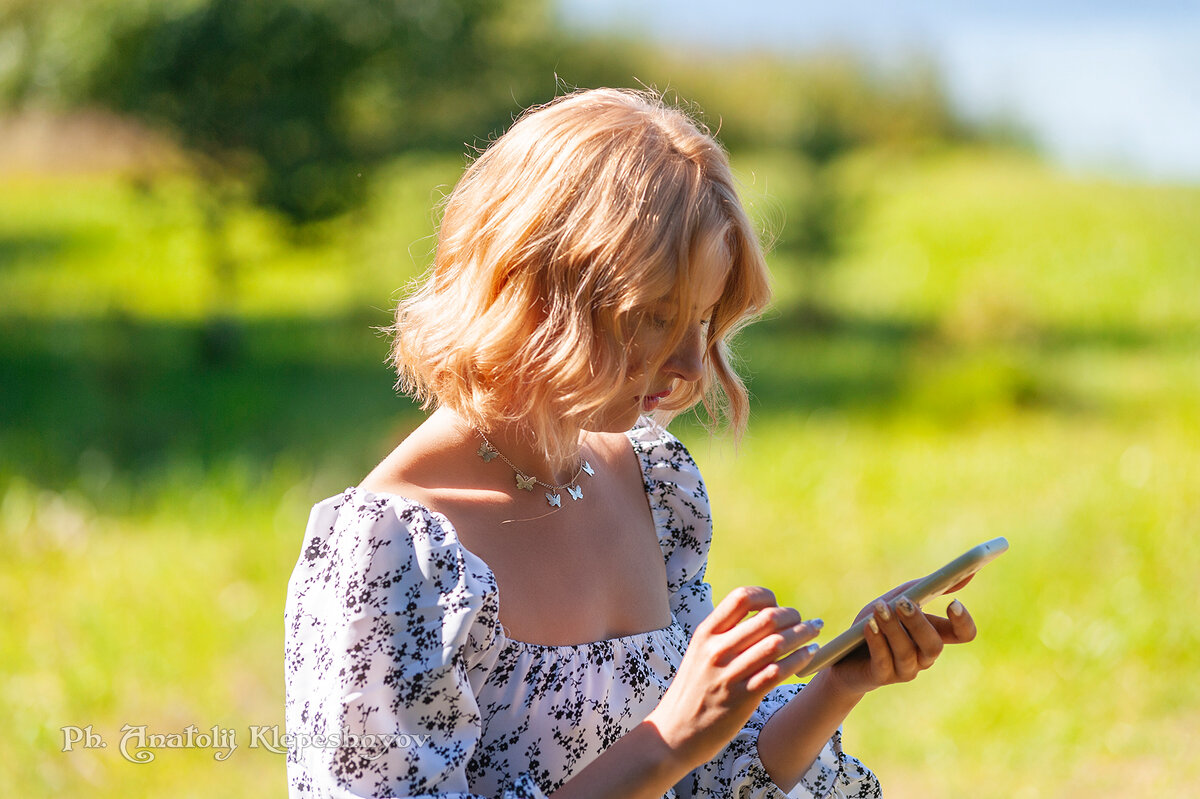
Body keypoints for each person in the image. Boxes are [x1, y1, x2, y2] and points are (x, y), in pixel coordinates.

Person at [284, 87, 977, 799]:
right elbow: (673, 749)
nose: (688, 363)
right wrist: (668, 737)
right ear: (537, 288)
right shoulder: (397, 549)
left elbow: (707, 775)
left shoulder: (648, 478)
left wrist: (836, 683)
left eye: (704, 318)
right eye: (652, 316)